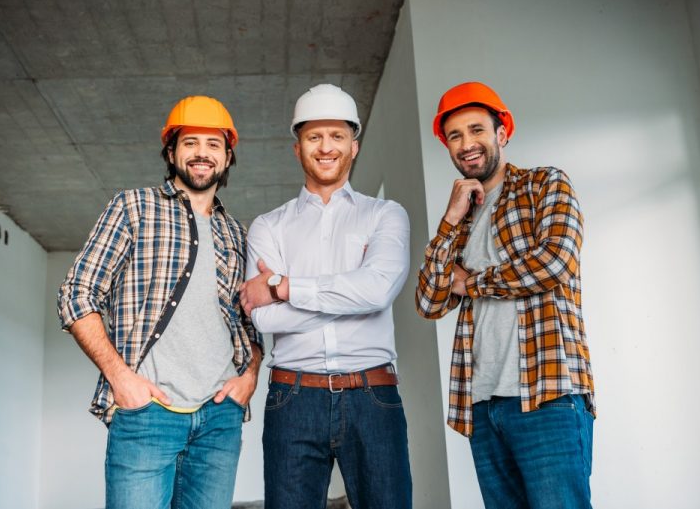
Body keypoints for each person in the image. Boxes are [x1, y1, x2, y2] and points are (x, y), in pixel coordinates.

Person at [57, 95, 263, 509]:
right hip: (148, 414)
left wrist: (251, 375)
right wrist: (121, 378)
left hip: (219, 419)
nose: (202, 153)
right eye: (190, 142)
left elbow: (249, 322)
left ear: (227, 157)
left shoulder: (237, 234)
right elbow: (76, 294)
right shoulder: (132, 207)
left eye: (213, 144)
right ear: (171, 151)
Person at [415, 81, 596, 508]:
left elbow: (553, 263)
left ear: (502, 133)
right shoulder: (462, 218)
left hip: (547, 394)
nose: (466, 144)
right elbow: (428, 302)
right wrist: (449, 220)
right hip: (483, 405)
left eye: (476, 130)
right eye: (455, 136)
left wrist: (470, 282)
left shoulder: (544, 185)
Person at [239, 83, 412, 509]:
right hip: (293, 398)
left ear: (354, 146)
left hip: (373, 395)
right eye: (314, 137)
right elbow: (262, 319)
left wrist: (284, 287)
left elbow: (378, 289)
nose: (326, 147)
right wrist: (353, 296)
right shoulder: (268, 227)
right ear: (297, 148)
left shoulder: (385, 214)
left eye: (337, 136)